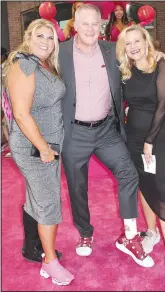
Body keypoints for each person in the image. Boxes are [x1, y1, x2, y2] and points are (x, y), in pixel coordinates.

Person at [59, 4, 165, 268]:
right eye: (85, 24)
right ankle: (86, 233)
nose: (90, 29)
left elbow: (138, 60)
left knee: (129, 174)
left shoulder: (111, 51)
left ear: (101, 26)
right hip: (74, 133)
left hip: (107, 130)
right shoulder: (60, 52)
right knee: (77, 187)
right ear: (75, 25)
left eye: (95, 24)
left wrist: (157, 56)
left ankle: (130, 236)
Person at [2, 19, 74, 285]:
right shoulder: (24, 64)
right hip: (36, 146)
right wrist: (44, 148)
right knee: (48, 203)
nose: (45, 41)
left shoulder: (43, 63)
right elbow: (20, 114)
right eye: (39, 35)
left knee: (39, 199)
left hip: (47, 144)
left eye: (50, 37)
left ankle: (36, 249)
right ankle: (49, 262)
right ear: (28, 36)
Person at [116, 24, 165, 290]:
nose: (133, 46)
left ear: (146, 40)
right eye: (128, 43)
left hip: (159, 138)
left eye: (137, 41)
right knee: (144, 186)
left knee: (164, 191)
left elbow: (163, 105)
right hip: (132, 138)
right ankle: (152, 232)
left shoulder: (162, 65)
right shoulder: (125, 69)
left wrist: (149, 141)